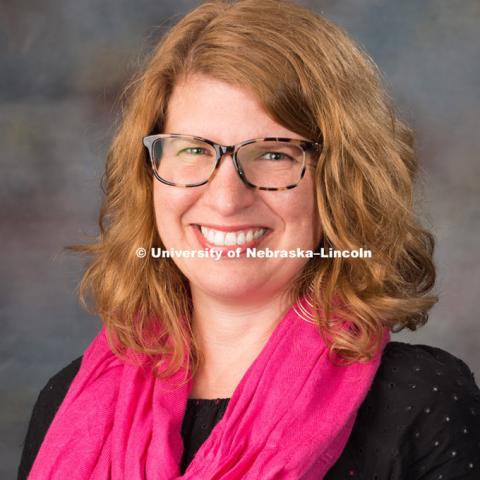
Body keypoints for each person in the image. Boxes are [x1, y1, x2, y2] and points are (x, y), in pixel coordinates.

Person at [18, 0, 480, 478]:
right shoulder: (68, 402)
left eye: (274, 155)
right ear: (149, 175)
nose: (225, 198)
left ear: (340, 181)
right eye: (194, 149)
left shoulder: (421, 402)